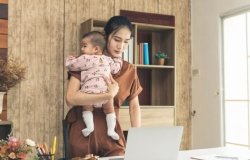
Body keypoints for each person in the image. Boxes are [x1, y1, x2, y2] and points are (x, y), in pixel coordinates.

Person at [65, 15, 143, 159]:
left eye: (126, 42)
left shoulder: (129, 69)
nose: (121, 47)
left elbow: (134, 106)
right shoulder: (85, 60)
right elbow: (70, 98)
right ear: (106, 37)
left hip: (111, 136)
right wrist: (107, 96)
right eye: (117, 40)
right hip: (83, 132)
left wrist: (138, 140)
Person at [65, 31, 122, 140]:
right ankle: (111, 130)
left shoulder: (85, 58)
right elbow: (116, 67)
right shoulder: (107, 60)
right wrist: (118, 58)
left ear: (96, 49)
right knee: (110, 110)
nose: (82, 49)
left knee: (87, 109)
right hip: (105, 92)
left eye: (84, 46)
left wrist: (71, 58)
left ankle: (89, 127)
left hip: (89, 93)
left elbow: (71, 65)